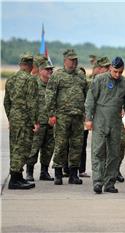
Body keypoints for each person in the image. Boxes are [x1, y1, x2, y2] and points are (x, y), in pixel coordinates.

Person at [85, 56, 125, 194]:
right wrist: (88, 118)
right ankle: (98, 182)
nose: (117, 75)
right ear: (110, 68)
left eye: (120, 72)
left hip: (115, 123)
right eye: (115, 72)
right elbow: (90, 99)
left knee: (114, 153)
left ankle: (110, 183)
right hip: (100, 120)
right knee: (98, 152)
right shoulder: (100, 79)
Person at [45, 49, 87, 185]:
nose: (74, 62)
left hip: (78, 116)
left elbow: (86, 94)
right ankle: (58, 173)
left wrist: (87, 113)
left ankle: (73, 174)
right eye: (71, 60)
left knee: (77, 145)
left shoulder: (81, 75)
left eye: (75, 60)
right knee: (61, 144)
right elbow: (50, 95)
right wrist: (51, 114)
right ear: (65, 61)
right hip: (62, 116)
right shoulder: (57, 76)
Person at [4, 53, 39, 189]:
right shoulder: (30, 80)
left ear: (20, 65)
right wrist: (35, 121)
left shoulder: (11, 79)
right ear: (31, 66)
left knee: (15, 148)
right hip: (24, 119)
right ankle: (14, 180)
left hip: (15, 117)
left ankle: (18, 176)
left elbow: (6, 102)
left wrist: (11, 118)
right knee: (22, 149)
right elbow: (32, 103)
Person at [26, 60, 55, 182]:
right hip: (38, 122)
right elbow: (29, 103)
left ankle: (44, 172)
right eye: (47, 69)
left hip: (51, 123)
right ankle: (29, 172)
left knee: (48, 149)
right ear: (40, 70)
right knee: (34, 148)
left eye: (51, 69)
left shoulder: (53, 85)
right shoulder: (34, 84)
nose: (50, 71)